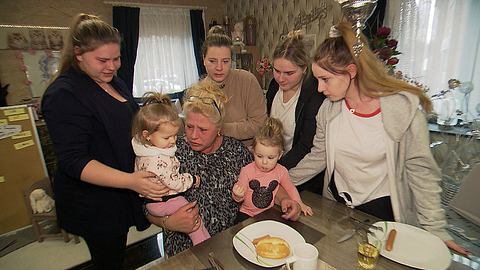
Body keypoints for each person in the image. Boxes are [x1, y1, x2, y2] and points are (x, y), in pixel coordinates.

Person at [289, 22, 468, 255]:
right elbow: (318, 156)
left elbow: (421, 171)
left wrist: (435, 228)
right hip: (339, 208)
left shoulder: (401, 108)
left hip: (384, 213)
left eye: (326, 79)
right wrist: (282, 181)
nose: (320, 88)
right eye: (318, 80)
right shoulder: (329, 110)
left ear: (351, 72)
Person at [41, 14, 168, 269]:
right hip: (93, 202)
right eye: (102, 60)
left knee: (116, 255)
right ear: (78, 54)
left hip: (119, 194)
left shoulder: (114, 82)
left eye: (116, 58)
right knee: (108, 260)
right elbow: (75, 161)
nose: (111, 66)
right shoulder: (63, 95)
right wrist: (131, 181)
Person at [146, 79, 301, 256]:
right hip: (184, 251)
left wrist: (285, 200)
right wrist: (169, 223)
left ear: (219, 127)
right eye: (189, 126)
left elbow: (265, 180)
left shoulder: (236, 152)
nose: (193, 136)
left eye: (203, 130)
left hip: (231, 244)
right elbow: (147, 206)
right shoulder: (170, 153)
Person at [131, 92, 210, 245]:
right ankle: (203, 246)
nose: (173, 141)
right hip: (164, 202)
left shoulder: (144, 150)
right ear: (147, 135)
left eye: (174, 136)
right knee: (194, 221)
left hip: (153, 202)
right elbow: (174, 182)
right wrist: (192, 179)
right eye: (167, 138)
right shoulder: (158, 159)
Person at [266, 30, 326, 194]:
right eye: (277, 71)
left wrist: (276, 169)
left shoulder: (314, 95)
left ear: (304, 69)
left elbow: (305, 146)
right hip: (273, 163)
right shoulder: (273, 87)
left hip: (301, 173)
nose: (281, 78)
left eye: (289, 73)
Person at [232, 117, 313, 223]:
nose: (264, 162)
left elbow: (290, 188)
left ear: (280, 155)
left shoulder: (281, 171)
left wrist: (299, 203)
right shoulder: (247, 171)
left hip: (267, 213)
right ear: (253, 151)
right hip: (246, 214)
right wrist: (237, 195)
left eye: (270, 158)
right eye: (259, 156)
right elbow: (239, 197)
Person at [201, 30, 267, 147]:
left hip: (248, 153)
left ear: (232, 61)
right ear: (203, 60)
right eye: (212, 61)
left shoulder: (247, 81)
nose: (219, 67)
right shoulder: (199, 91)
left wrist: (221, 128)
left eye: (225, 61)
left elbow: (259, 124)